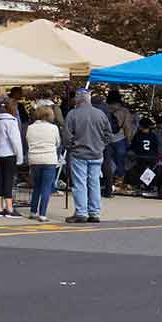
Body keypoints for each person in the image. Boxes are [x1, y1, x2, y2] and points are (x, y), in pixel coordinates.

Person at [63, 92, 111, 223]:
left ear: (77, 100)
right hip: (96, 153)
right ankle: (94, 213)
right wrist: (101, 146)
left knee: (80, 184)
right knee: (94, 183)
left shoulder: (72, 114)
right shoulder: (100, 114)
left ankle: (81, 212)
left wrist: (71, 147)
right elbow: (108, 135)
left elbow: (67, 137)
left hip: (79, 153)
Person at [23, 101, 63, 221]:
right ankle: (43, 214)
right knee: (46, 187)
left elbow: (28, 142)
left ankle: (33, 211)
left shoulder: (30, 128)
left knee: (37, 186)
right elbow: (58, 143)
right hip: (49, 159)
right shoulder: (53, 128)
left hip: (34, 159)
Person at [0, 97, 24, 217]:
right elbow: (16, 141)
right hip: (9, 153)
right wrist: (20, 157)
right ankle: (9, 208)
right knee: (9, 180)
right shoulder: (11, 121)